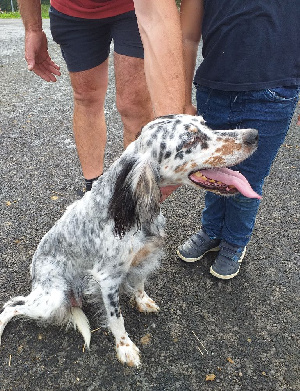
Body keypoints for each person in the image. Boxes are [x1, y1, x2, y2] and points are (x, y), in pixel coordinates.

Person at [177, 0, 300, 279]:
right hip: (213, 91)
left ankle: (235, 240)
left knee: (248, 180)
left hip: (274, 94)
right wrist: (183, 98)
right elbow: (186, 35)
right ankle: (212, 231)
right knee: (212, 172)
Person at [17, 0, 185, 197]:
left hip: (132, 7)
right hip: (73, 10)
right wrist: (33, 29)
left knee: (133, 102)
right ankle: (93, 192)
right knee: (85, 97)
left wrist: (172, 134)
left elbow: (159, 14)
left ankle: (137, 194)